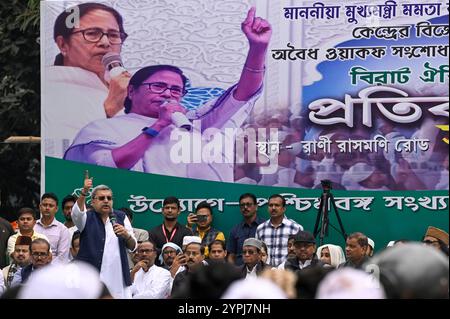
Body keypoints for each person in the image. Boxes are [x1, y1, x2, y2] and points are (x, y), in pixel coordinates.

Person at [64, 7, 272, 183]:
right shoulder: (103, 128)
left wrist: (258, 47)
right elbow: (104, 168)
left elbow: (243, 94)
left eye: (175, 90)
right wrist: (158, 126)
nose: (167, 94)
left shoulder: (195, 124)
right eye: (158, 86)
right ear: (132, 91)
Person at [43, 2, 131, 158]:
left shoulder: (122, 85)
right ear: (63, 44)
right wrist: (109, 110)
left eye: (113, 35)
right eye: (92, 33)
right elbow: (64, 151)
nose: (105, 43)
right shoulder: (49, 86)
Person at [71, 170, 137, 299]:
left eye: (109, 198)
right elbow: (76, 213)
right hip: (91, 277)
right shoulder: (86, 218)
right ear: (93, 201)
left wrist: (126, 235)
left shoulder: (121, 217)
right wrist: (84, 192)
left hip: (116, 277)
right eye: (101, 198)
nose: (106, 201)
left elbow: (133, 246)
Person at [255, 194, 303, 267]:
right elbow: (257, 252)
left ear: (284, 209)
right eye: (271, 205)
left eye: (277, 205)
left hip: (288, 271)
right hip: (266, 272)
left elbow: (300, 252)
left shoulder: (295, 228)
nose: (273, 208)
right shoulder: (260, 229)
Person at [227, 193, 265, 265]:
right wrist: (233, 271)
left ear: (256, 206)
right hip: (239, 272)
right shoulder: (235, 230)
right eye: (242, 205)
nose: (245, 207)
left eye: (249, 204)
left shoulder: (265, 227)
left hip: (260, 271)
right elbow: (231, 256)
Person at [34, 193, 71, 264]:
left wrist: (46, 268)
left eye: (51, 206)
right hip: (32, 270)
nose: (47, 208)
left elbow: (62, 258)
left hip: (53, 272)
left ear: (56, 209)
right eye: (45, 205)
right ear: (40, 207)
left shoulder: (63, 230)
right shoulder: (32, 226)